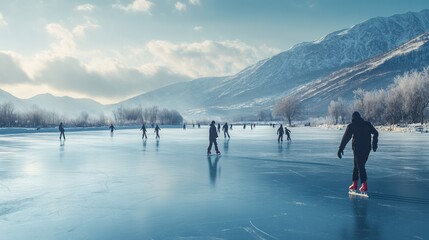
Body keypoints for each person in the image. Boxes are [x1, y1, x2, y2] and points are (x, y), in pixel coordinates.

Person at [338, 111, 378, 193]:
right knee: (357, 166)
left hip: (358, 149)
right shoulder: (367, 124)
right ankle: (354, 184)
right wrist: (374, 144)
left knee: (360, 166)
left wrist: (341, 148)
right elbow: (376, 133)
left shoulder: (352, 126)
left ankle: (364, 185)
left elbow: (346, 138)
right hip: (367, 149)